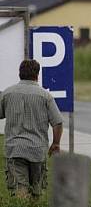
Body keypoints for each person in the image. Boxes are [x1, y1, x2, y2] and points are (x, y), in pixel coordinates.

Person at [1, 59, 63, 198]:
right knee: (36, 193)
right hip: (37, 150)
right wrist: (56, 143)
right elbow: (57, 122)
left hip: (14, 149)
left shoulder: (7, 93)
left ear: (19, 74)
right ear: (37, 75)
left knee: (19, 190)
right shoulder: (45, 96)